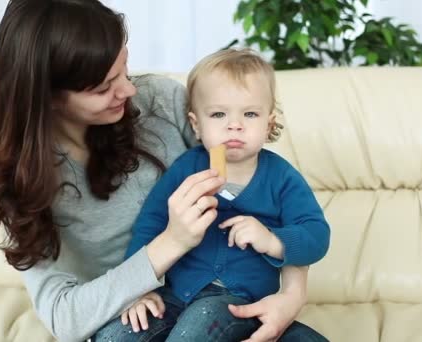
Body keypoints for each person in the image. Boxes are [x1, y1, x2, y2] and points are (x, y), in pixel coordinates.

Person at [0, 1, 327, 341]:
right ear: (47, 97)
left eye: (124, 69)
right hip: (145, 313)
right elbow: (64, 317)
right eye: (103, 88)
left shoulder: (161, 102)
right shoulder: (23, 182)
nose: (129, 90)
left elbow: (264, 190)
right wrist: (168, 246)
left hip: (233, 301)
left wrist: (292, 295)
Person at [94, 49, 330, 341]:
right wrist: (138, 292)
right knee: (115, 334)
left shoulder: (282, 178)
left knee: (199, 325)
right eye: (218, 114)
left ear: (268, 123)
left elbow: (317, 235)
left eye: (250, 114)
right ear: (196, 124)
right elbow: (150, 225)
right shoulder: (186, 169)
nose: (234, 124)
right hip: (174, 296)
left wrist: (273, 240)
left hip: (238, 302)